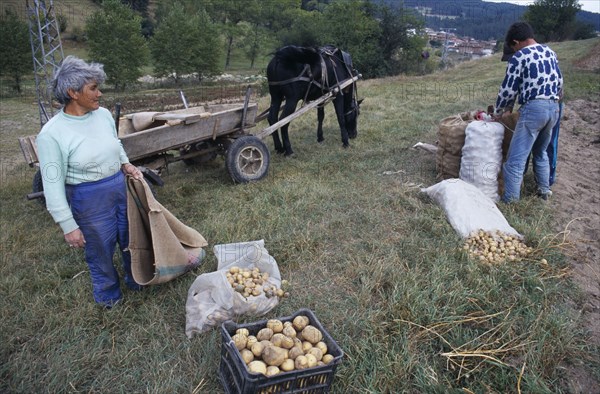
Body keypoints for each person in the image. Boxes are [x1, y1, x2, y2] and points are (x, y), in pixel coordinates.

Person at [37, 56, 144, 308]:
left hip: (118, 187)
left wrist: (125, 163)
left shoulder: (103, 114)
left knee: (131, 238)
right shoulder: (52, 134)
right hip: (88, 197)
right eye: (93, 88)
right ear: (72, 92)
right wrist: (68, 225)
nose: (100, 93)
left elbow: (114, 143)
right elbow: (51, 186)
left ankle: (137, 279)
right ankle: (109, 296)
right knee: (101, 249)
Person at [493, 22, 562, 202]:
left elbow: (508, 89)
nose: (514, 51)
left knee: (515, 160)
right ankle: (544, 192)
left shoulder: (520, 56)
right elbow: (560, 84)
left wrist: (500, 111)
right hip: (554, 108)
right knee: (541, 153)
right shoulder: (550, 53)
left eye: (513, 47)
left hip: (534, 109)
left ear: (516, 42)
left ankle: (511, 202)